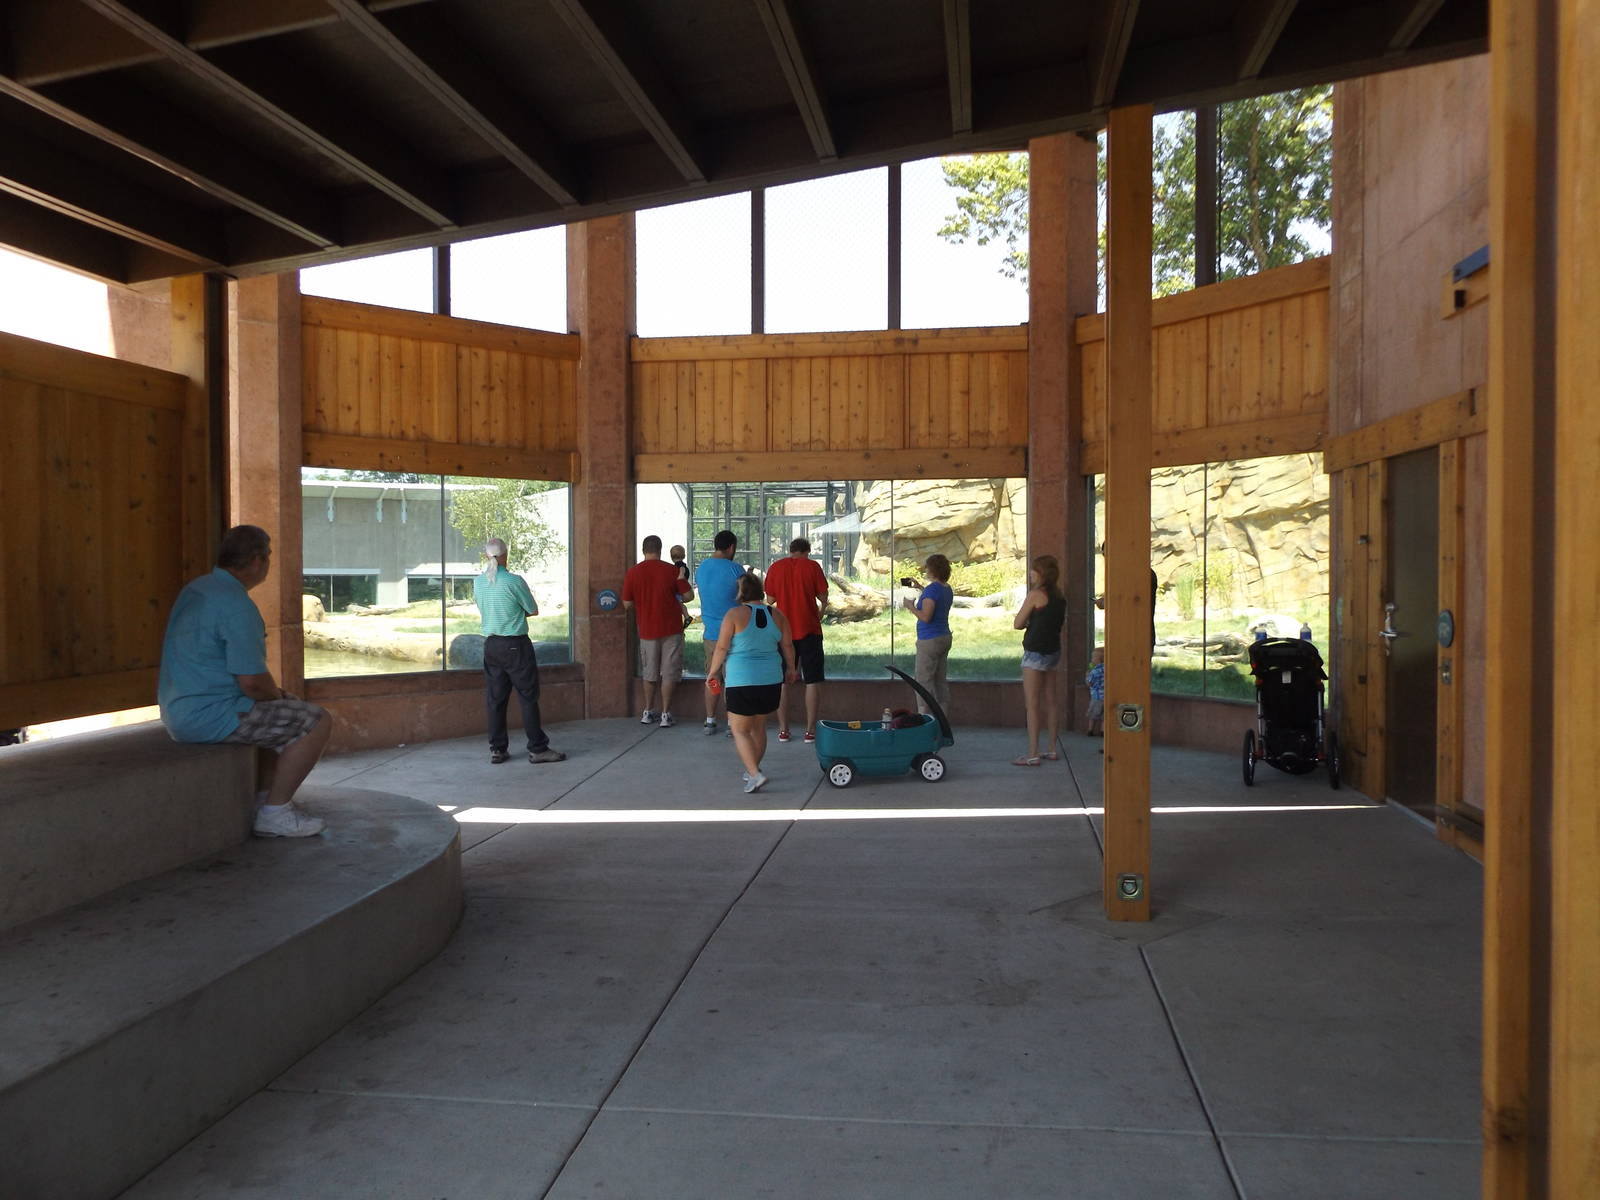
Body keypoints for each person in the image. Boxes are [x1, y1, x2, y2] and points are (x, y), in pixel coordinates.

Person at [157, 524, 332, 837]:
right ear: (256, 560)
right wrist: (278, 695)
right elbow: (251, 682)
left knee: (276, 716)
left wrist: (273, 696)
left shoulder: (198, 588)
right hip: (211, 714)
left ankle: (264, 799)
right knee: (315, 721)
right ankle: (276, 812)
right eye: (268, 558)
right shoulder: (236, 605)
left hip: (178, 710)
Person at [475, 537, 565, 766]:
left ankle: (497, 749)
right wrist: (514, 615)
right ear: (505, 555)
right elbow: (532, 610)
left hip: (491, 645)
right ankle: (538, 749)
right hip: (515, 646)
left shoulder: (479, 582)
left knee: (495, 699)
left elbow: (486, 609)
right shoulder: (514, 581)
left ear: (487, 556)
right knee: (527, 697)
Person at [707, 573, 798, 794]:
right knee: (758, 727)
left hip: (742, 681)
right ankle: (753, 770)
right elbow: (787, 646)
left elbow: (721, 648)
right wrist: (792, 669)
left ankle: (755, 775)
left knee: (739, 730)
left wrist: (713, 672)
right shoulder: (778, 615)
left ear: (740, 592)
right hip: (771, 681)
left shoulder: (734, 615)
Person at [763, 536, 829, 743]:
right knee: (812, 680)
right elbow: (824, 596)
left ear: (791, 550)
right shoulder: (812, 567)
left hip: (784, 632)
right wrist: (821, 611)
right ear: (807, 551)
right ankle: (810, 731)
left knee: (782, 681)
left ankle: (784, 730)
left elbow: (770, 599)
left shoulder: (776, 567)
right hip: (809, 629)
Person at [622, 534, 692, 727]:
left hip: (646, 629)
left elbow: (627, 604)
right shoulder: (671, 570)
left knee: (649, 672)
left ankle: (647, 710)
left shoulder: (633, 573)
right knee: (669, 673)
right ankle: (665, 714)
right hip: (672, 629)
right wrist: (680, 580)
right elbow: (687, 596)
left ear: (643, 550)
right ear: (660, 550)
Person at [1013, 555, 1068, 766]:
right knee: (1051, 701)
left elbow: (1017, 623)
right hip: (1053, 651)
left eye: (1034, 570)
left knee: (1032, 705)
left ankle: (1033, 753)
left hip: (1034, 653)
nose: (1031, 573)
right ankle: (1052, 749)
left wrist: (1029, 622)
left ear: (1041, 573)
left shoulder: (1036, 595)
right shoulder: (1059, 596)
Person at [694, 529, 746, 735]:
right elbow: (744, 598)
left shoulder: (702, 568)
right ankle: (732, 723)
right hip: (734, 634)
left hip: (711, 634)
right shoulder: (736, 569)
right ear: (731, 547)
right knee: (732, 679)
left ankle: (710, 720)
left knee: (713, 677)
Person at [902, 553, 954, 719]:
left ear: (932, 570)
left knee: (923, 681)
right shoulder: (946, 588)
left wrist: (910, 606)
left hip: (929, 640)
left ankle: (923, 719)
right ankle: (942, 722)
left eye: (927, 567)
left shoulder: (932, 590)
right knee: (939, 681)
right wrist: (920, 588)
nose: (926, 570)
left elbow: (926, 616)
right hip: (944, 637)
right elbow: (934, 598)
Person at [669, 544, 694, 629]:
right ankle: (686, 616)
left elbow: (681, 571)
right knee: (680, 603)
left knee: (678, 603)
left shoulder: (679, 566)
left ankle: (687, 616)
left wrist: (680, 576)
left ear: (671, 557)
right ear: (684, 555)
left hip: (679, 589)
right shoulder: (683, 565)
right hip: (682, 589)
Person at [1085, 646, 1106, 738]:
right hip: (1105, 696)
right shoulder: (1107, 669)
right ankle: (1103, 731)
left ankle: (1090, 730)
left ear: (1099, 660)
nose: (1092, 659)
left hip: (1096, 697)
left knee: (1092, 715)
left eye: (1093, 657)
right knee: (1104, 716)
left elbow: (1089, 683)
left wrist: (1087, 675)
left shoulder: (1094, 671)